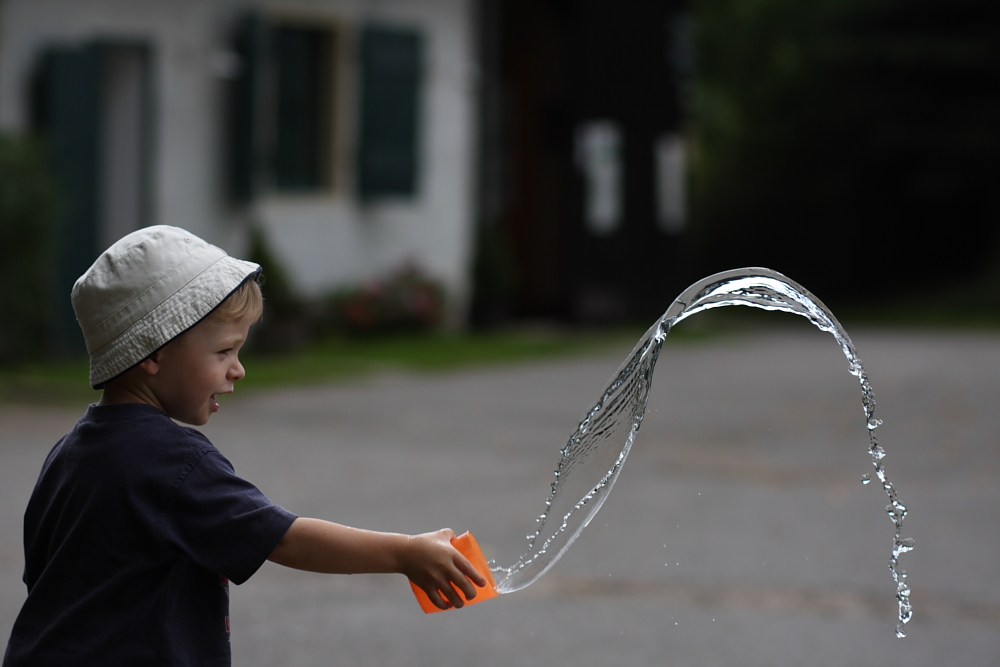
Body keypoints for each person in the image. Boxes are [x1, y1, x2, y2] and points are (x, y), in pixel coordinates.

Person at [3, 226, 486, 666]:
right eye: (223, 352)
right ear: (154, 353)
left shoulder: (69, 454)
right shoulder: (175, 462)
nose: (238, 369)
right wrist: (405, 554)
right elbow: (283, 538)